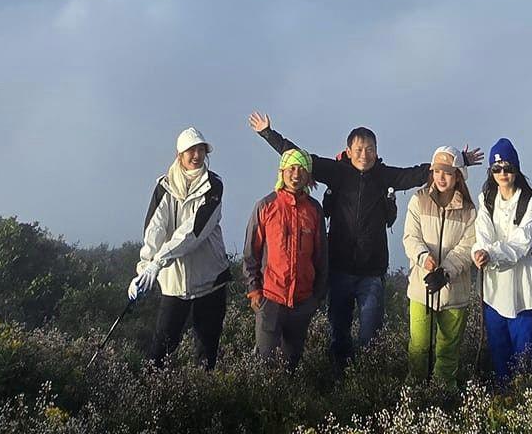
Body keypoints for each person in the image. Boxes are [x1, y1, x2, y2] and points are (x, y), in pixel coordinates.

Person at [248, 112, 482, 368]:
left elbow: (418, 174)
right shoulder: (337, 173)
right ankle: (340, 379)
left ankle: (367, 380)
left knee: (370, 336)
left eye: (370, 149)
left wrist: (460, 162)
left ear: (377, 150)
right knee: (339, 334)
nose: (364, 154)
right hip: (339, 269)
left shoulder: (383, 175)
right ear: (348, 151)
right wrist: (268, 134)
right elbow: (301, 158)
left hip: (372, 273)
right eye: (358, 149)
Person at [132, 125, 232, 370]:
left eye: (201, 150)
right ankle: (150, 395)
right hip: (175, 283)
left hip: (210, 281)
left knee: (206, 352)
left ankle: (200, 401)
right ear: (180, 155)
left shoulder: (214, 186)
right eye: (191, 151)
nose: (197, 156)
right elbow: (154, 228)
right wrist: (144, 268)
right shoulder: (164, 186)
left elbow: (194, 231)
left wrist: (158, 262)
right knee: (162, 348)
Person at [471, 137, 532, 383]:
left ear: (516, 169)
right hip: (493, 291)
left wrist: (490, 254)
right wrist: (480, 251)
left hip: (523, 291)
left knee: (528, 353)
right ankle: (504, 398)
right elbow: (482, 233)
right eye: (497, 169)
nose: (502, 173)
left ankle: (531, 399)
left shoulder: (529, 203)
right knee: (499, 351)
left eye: (507, 168)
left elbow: (522, 243)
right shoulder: (486, 199)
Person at [243, 147, 328, 369]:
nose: (296, 174)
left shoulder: (314, 210)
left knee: (291, 366)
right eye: (291, 168)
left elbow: (321, 257)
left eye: (301, 169)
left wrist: (316, 297)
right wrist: (254, 292)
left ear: (308, 175)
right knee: (264, 366)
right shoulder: (266, 205)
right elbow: (251, 252)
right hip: (270, 299)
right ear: (281, 172)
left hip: (302, 302)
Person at [401, 144, 476, 387]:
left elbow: (468, 247)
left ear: (458, 176)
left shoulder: (468, 209)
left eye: (448, 172)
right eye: (437, 171)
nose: (441, 177)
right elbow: (411, 238)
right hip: (421, 288)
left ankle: (444, 394)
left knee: (448, 349)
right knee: (419, 347)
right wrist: (424, 258)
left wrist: (445, 272)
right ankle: (416, 391)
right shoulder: (418, 200)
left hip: (455, 291)